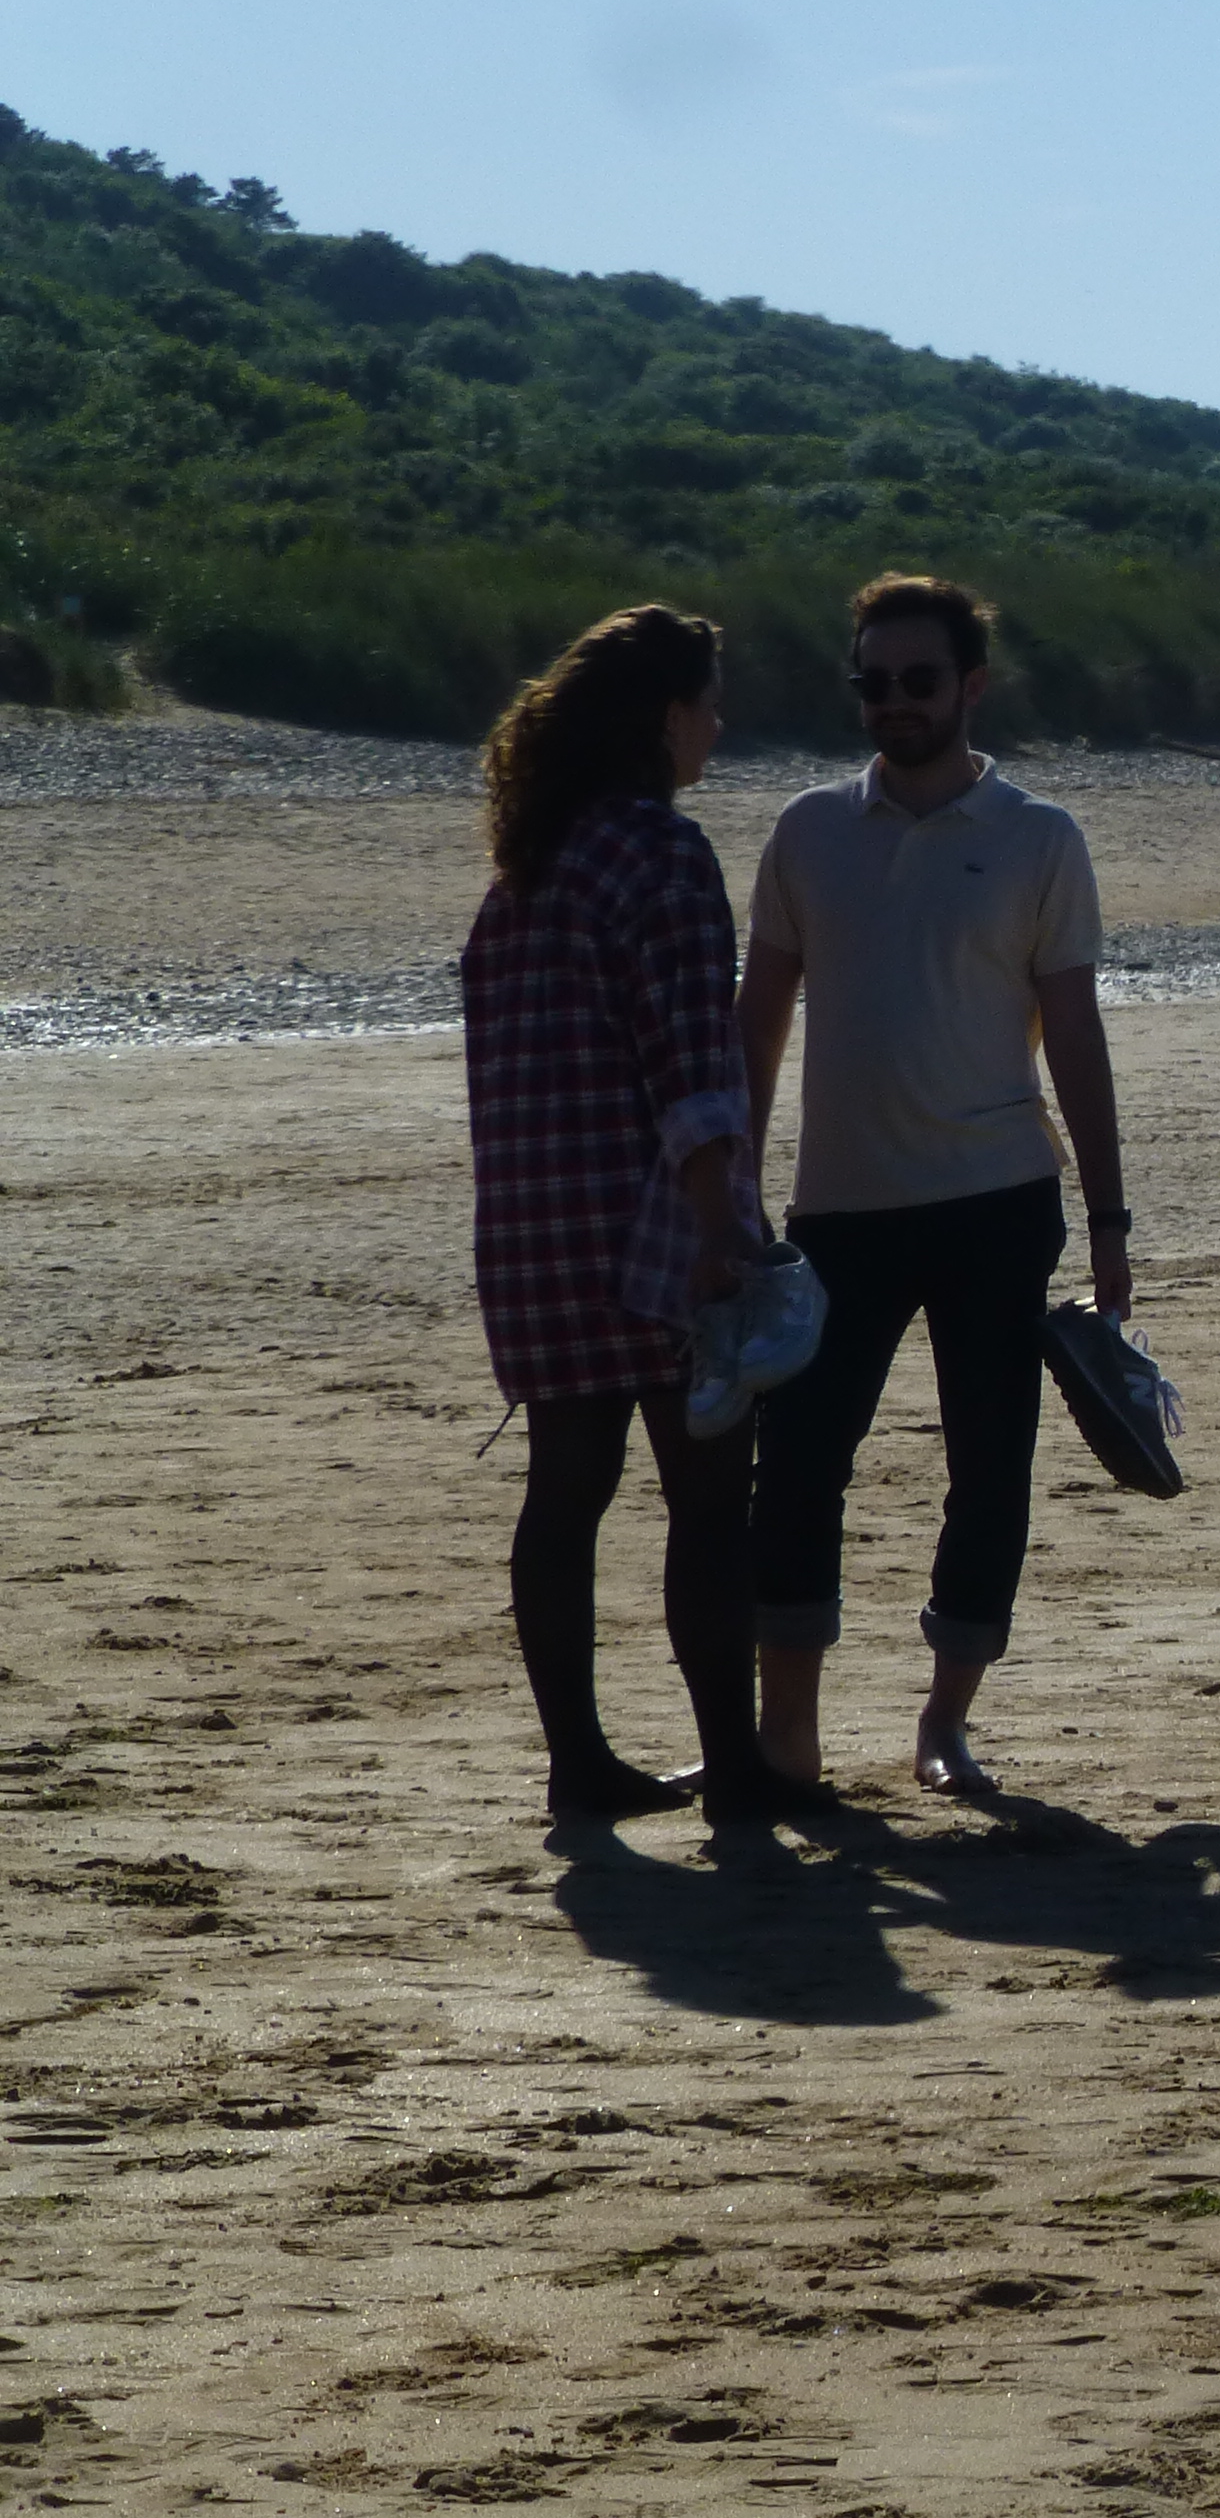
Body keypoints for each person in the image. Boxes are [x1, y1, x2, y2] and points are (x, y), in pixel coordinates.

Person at [740, 575, 1130, 1801]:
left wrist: (1111, 1222)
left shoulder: (1039, 837)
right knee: (797, 1464)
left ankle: (945, 1726)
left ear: (972, 687)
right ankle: (787, 1738)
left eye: (917, 680)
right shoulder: (808, 831)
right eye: (872, 682)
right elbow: (759, 1021)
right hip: (838, 1211)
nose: (892, 702)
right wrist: (732, 1198)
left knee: (990, 1468)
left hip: (997, 1203)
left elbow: (1076, 1035)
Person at [460, 605, 771, 1820]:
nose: (719, 728)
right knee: (710, 1499)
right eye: (710, 705)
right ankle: (734, 1767)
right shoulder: (661, 854)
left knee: (565, 1492)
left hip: (530, 1231)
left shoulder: (526, 872)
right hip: (647, 1228)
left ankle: (577, 1763)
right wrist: (721, 1228)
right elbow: (690, 1060)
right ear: (667, 718)